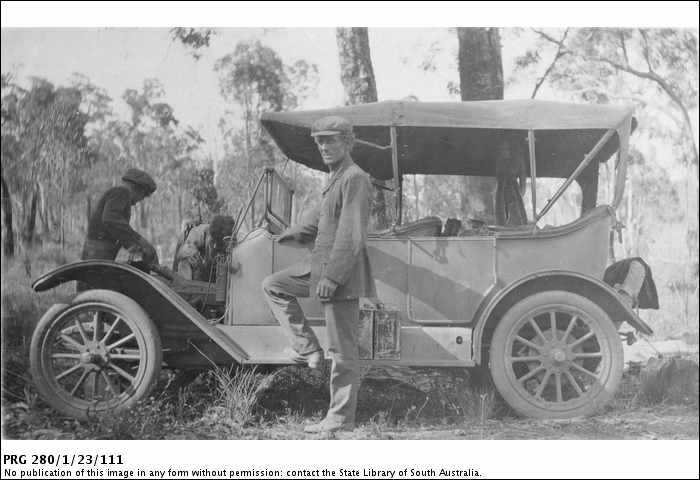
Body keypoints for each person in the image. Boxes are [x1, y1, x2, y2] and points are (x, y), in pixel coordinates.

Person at [262, 115, 375, 435]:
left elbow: (350, 235)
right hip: (320, 268)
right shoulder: (336, 178)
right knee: (274, 285)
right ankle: (308, 349)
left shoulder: (355, 178)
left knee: (342, 352)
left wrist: (333, 278)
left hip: (340, 276)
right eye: (320, 141)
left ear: (348, 142)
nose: (324, 146)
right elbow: (317, 223)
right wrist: (287, 235)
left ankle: (340, 418)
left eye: (331, 139)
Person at [81, 168, 158, 268]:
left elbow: (115, 225)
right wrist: (138, 241)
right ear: (137, 189)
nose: (139, 201)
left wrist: (134, 244)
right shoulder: (122, 192)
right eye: (142, 197)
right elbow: (111, 219)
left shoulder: (117, 194)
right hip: (98, 251)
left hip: (98, 251)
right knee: (94, 280)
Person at [174, 215, 235, 281]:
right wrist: (198, 262)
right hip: (196, 273)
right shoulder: (200, 232)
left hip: (212, 276)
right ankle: (186, 287)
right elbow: (185, 251)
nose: (215, 245)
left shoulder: (228, 238)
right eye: (213, 242)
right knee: (185, 261)